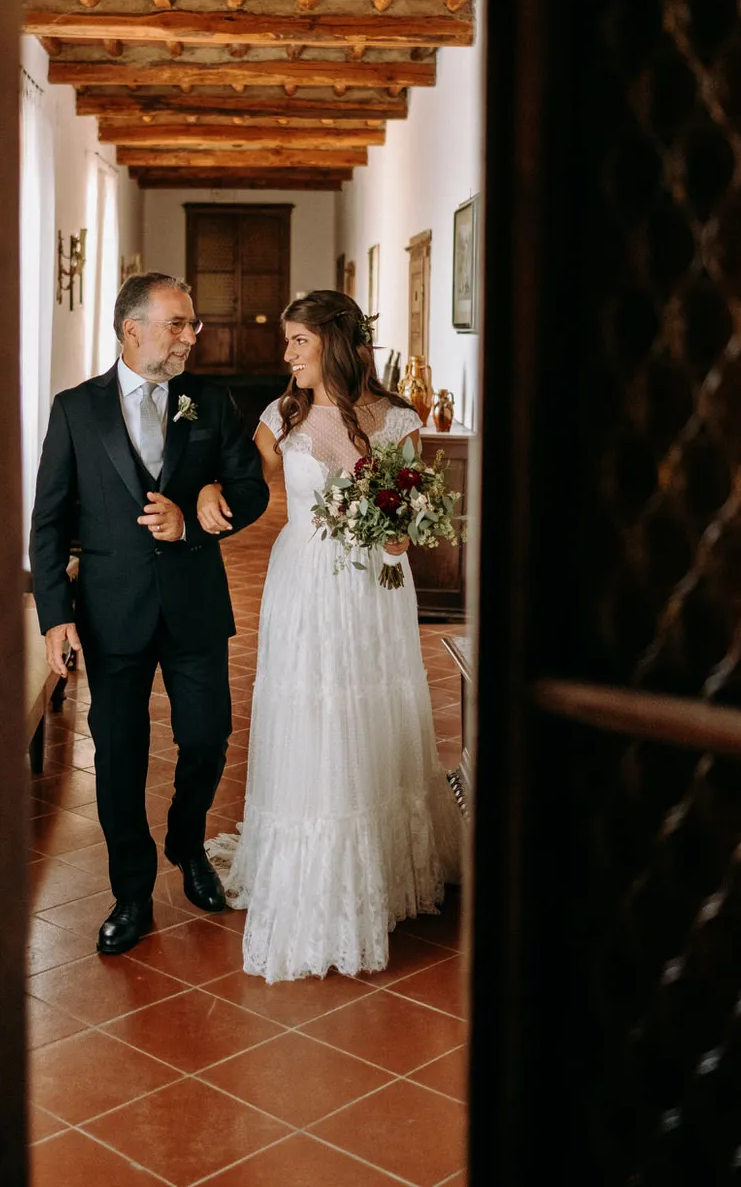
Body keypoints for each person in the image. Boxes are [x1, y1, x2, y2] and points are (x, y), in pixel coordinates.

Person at [200, 291, 462, 982]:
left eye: (298, 343)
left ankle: (381, 862)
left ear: (335, 345)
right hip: (305, 578)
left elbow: (408, 522)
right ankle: (313, 870)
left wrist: (399, 529)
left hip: (375, 583)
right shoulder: (276, 417)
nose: (285, 355)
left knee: (372, 699)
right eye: (286, 341)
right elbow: (241, 485)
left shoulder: (399, 419)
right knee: (313, 703)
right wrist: (203, 493)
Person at [30, 273, 269, 955]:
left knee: (206, 736)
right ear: (131, 328)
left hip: (193, 601)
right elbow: (47, 522)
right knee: (118, 756)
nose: (193, 335)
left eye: (191, 323)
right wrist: (55, 615)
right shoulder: (76, 409)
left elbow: (249, 489)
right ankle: (130, 892)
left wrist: (201, 516)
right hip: (110, 612)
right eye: (178, 323)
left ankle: (187, 841)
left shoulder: (208, 402)